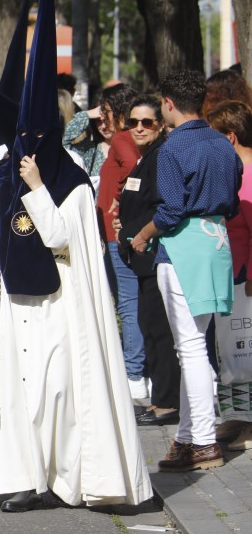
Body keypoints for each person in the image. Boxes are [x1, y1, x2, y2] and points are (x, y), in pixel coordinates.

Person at [0, 0, 150, 512]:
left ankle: (61, 478)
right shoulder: (4, 174)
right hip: (12, 301)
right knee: (18, 393)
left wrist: (37, 187)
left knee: (58, 391)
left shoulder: (72, 182)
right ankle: (23, 476)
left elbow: (61, 236)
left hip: (58, 302)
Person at [131, 70, 242, 472]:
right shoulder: (221, 142)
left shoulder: (173, 146)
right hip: (216, 239)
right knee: (196, 345)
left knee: (191, 348)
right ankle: (187, 437)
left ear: (169, 103)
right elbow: (231, 195)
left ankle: (203, 441)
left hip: (182, 245)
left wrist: (143, 234)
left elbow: (172, 209)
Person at [115, 95, 180, 426]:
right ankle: (160, 398)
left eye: (147, 122)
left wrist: (135, 233)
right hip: (140, 256)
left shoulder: (159, 158)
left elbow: (161, 206)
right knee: (148, 326)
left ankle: (168, 402)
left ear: (161, 125)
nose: (139, 128)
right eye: (133, 122)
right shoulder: (145, 159)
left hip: (153, 254)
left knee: (160, 330)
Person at [205, 101, 252, 451]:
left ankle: (249, 423)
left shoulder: (249, 174)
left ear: (231, 137)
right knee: (232, 351)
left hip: (245, 276)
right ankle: (237, 415)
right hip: (230, 273)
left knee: (246, 349)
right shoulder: (235, 171)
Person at [96, 83, 147, 401]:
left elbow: (133, 168)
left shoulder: (122, 139)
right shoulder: (125, 139)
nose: (101, 118)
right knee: (131, 302)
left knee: (128, 304)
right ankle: (138, 369)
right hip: (118, 232)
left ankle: (134, 372)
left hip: (119, 234)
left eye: (105, 112)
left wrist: (119, 202)